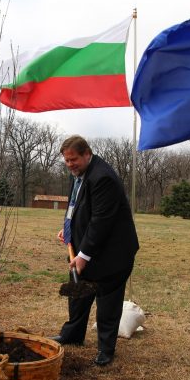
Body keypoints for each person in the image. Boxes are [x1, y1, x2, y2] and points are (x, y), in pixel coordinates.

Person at [51, 135, 139, 366]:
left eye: (74, 159)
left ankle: (106, 350)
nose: (70, 164)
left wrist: (83, 255)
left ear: (87, 154)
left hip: (113, 254)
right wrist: (67, 229)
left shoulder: (103, 178)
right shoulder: (79, 174)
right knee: (78, 294)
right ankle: (72, 334)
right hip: (87, 248)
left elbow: (101, 220)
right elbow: (75, 206)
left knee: (107, 302)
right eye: (67, 160)